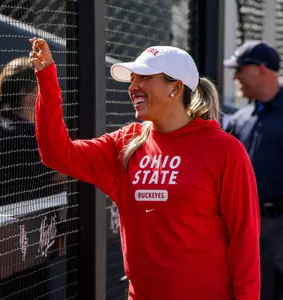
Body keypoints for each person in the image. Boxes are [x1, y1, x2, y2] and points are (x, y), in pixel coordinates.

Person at [30, 38, 260, 300]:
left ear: (176, 88)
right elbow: (57, 154)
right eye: (132, 78)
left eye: (144, 78)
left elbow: (245, 242)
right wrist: (46, 76)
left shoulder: (225, 151)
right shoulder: (125, 144)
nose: (133, 87)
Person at [224, 40, 283, 300]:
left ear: (261, 70)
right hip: (249, 230)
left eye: (240, 69)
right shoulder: (238, 121)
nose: (235, 76)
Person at [0, 56, 66, 209]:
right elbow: (69, 170)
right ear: (27, 95)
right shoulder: (25, 138)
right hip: (14, 226)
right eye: (43, 89)